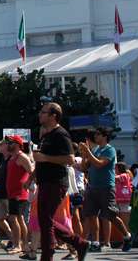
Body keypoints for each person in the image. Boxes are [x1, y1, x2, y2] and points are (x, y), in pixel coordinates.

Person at [34, 102, 88, 261]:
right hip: (45, 182)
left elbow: (70, 159)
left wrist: (45, 158)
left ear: (53, 116)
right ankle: (79, 243)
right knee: (45, 220)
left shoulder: (61, 134)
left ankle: (47, 255)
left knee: (46, 221)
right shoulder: (46, 135)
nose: (40, 114)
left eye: (43, 112)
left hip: (55, 182)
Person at [78, 127, 132, 252]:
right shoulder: (96, 149)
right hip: (93, 186)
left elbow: (99, 164)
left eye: (98, 134)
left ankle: (127, 236)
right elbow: (84, 167)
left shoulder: (110, 150)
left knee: (111, 215)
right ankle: (96, 242)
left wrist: (88, 152)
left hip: (106, 186)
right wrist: (84, 154)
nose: (95, 137)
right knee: (91, 214)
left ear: (104, 136)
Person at [5, 136, 33, 255]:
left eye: (10, 142)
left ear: (17, 144)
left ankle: (18, 245)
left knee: (13, 218)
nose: (8, 144)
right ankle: (24, 245)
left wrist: (27, 184)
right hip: (12, 193)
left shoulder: (22, 157)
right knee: (19, 219)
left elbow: (32, 171)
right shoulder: (12, 157)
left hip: (19, 194)